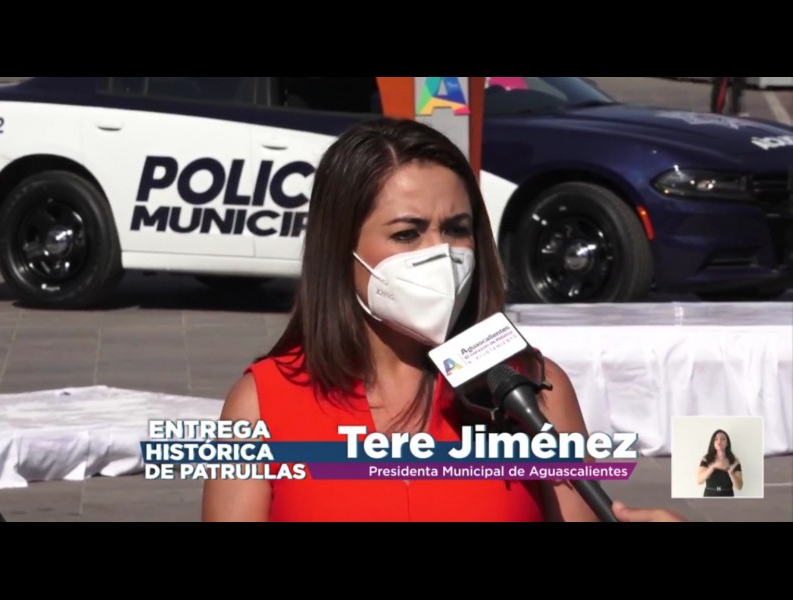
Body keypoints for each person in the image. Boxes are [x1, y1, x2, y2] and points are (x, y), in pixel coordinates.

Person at [201, 117, 686, 523]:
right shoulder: (263, 404)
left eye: (456, 229)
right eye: (407, 234)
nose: (441, 255)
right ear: (340, 248)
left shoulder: (534, 390)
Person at [697, 429, 743, 497]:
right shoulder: (706, 459)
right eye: (716, 439)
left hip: (728, 497)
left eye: (722, 439)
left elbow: (739, 487)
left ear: (727, 443)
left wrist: (731, 474)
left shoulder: (734, 461)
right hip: (709, 496)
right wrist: (712, 467)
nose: (719, 441)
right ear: (713, 443)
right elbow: (699, 481)